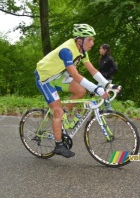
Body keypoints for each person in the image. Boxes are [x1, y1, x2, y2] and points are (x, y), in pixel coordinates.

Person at [34, 24, 121, 158]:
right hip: (45, 79)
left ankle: (65, 114)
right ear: (80, 40)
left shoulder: (82, 51)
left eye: (93, 40)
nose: (93, 43)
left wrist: (108, 85)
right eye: (90, 40)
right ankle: (58, 145)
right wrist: (97, 89)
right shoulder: (66, 51)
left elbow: (92, 70)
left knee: (81, 91)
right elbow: (75, 75)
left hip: (58, 76)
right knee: (57, 112)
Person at [98, 44, 118, 110]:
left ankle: (108, 109)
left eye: (101, 49)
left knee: (104, 92)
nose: (99, 50)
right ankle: (99, 108)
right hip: (101, 79)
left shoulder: (109, 59)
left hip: (107, 79)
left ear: (105, 50)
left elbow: (115, 68)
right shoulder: (101, 58)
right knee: (99, 92)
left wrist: (107, 74)